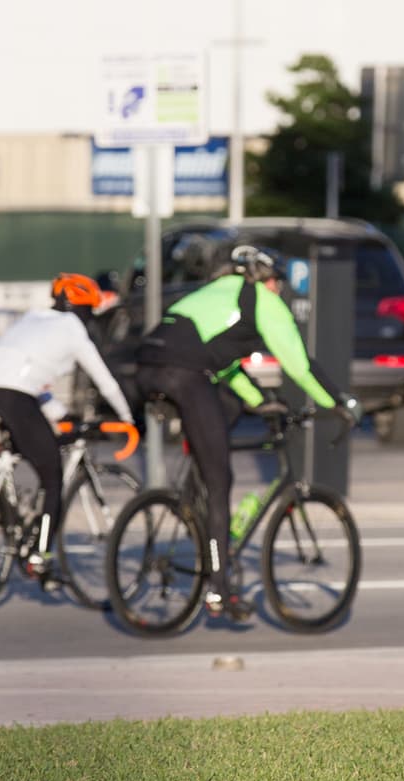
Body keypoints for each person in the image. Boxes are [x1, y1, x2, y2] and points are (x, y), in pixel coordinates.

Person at [134, 244, 361, 616]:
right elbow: (300, 365)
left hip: (148, 367)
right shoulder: (262, 301)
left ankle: (194, 506)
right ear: (266, 280)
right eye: (277, 284)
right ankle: (219, 589)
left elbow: (224, 367)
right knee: (221, 478)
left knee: (226, 409)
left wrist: (257, 400)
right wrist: (339, 402)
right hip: (184, 373)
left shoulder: (216, 294)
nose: (278, 291)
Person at [0, 272, 136, 587]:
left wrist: (60, 414)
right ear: (81, 308)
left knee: (32, 442)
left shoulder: (33, 318)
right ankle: (38, 557)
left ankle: (2, 507)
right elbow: (105, 380)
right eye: (90, 312)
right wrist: (127, 417)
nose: (90, 319)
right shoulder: (72, 329)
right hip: (13, 397)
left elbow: (27, 378)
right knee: (52, 474)